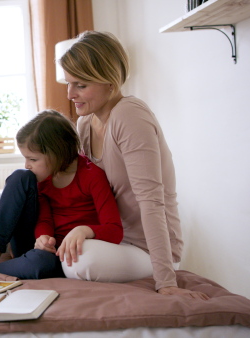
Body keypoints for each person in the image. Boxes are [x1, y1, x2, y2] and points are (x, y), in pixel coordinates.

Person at [59, 30, 208, 300]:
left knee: (80, 260)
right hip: (112, 237)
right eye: (68, 83)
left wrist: (166, 282)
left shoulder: (129, 116)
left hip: (145, 247)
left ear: (110, 81)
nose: (70, 94)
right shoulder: (85, 124)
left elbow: (151, 202)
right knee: (66, 247)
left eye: (80, 85)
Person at [0, 110, 123, 279]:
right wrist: (44, 237)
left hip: (61, 256)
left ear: (56, 154)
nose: (27, 164)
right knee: (20, 176)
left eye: (33, 159)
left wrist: (84, 230)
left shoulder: (93, 176)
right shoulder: (42, 179)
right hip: (39, 246)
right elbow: (44, 219)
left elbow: (115, 229)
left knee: (40, 264)